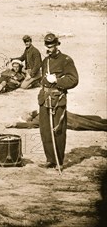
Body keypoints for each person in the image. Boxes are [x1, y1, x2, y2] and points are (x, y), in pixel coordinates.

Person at [37, 33, 79, 169]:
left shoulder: (66, 60)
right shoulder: (46, 61)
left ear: (57, 45)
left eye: (51, 45)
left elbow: (73, 80)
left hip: (57, 99)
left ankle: (59, 161)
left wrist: (57, 80)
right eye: (47, 45)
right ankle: (50, 159)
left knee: (58, 130)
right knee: (45, 130)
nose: (48, 48)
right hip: (44, 98)